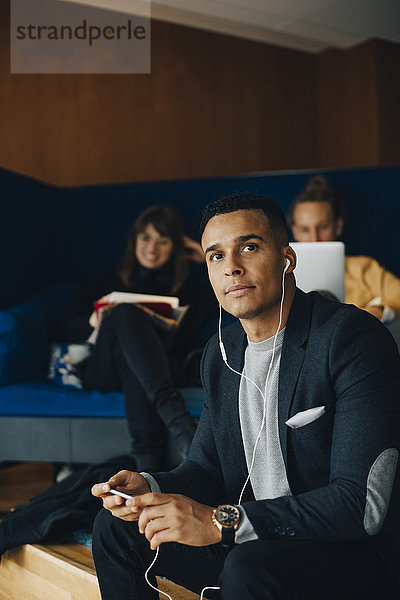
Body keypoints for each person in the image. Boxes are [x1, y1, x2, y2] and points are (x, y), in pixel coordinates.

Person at [91, 192, 400, 600]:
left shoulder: (351, 339)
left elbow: (360, 505)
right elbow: (205, 469)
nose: (232, 268)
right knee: (116, 528)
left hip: (349, 555)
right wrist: (148, 487)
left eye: (249, 247)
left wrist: (222, 522)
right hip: (257, 543)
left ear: (287, 258)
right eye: (215, 256)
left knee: (248, 565)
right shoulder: (221, 356)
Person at [54, 205, 216, 472]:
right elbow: (61, 327)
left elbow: (226, 302)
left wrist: (207, 258)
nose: (152, 248)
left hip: (161, 369)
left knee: (135, 362)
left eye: (163, 241)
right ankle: (179, 422)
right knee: (125, 314)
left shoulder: (189, 292)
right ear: (134, 241)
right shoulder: (106, 281)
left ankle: (147, 466)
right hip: (104, 371)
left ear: (175, 247)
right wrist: (92, 321)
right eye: (145, 238)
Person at [288, 175, 400, 323]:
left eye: (323, 227)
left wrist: (378, 311)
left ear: (338, 226)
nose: (315, 238)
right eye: (305, 229)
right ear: (294, 231)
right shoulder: (281, 273)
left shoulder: (364, 268)